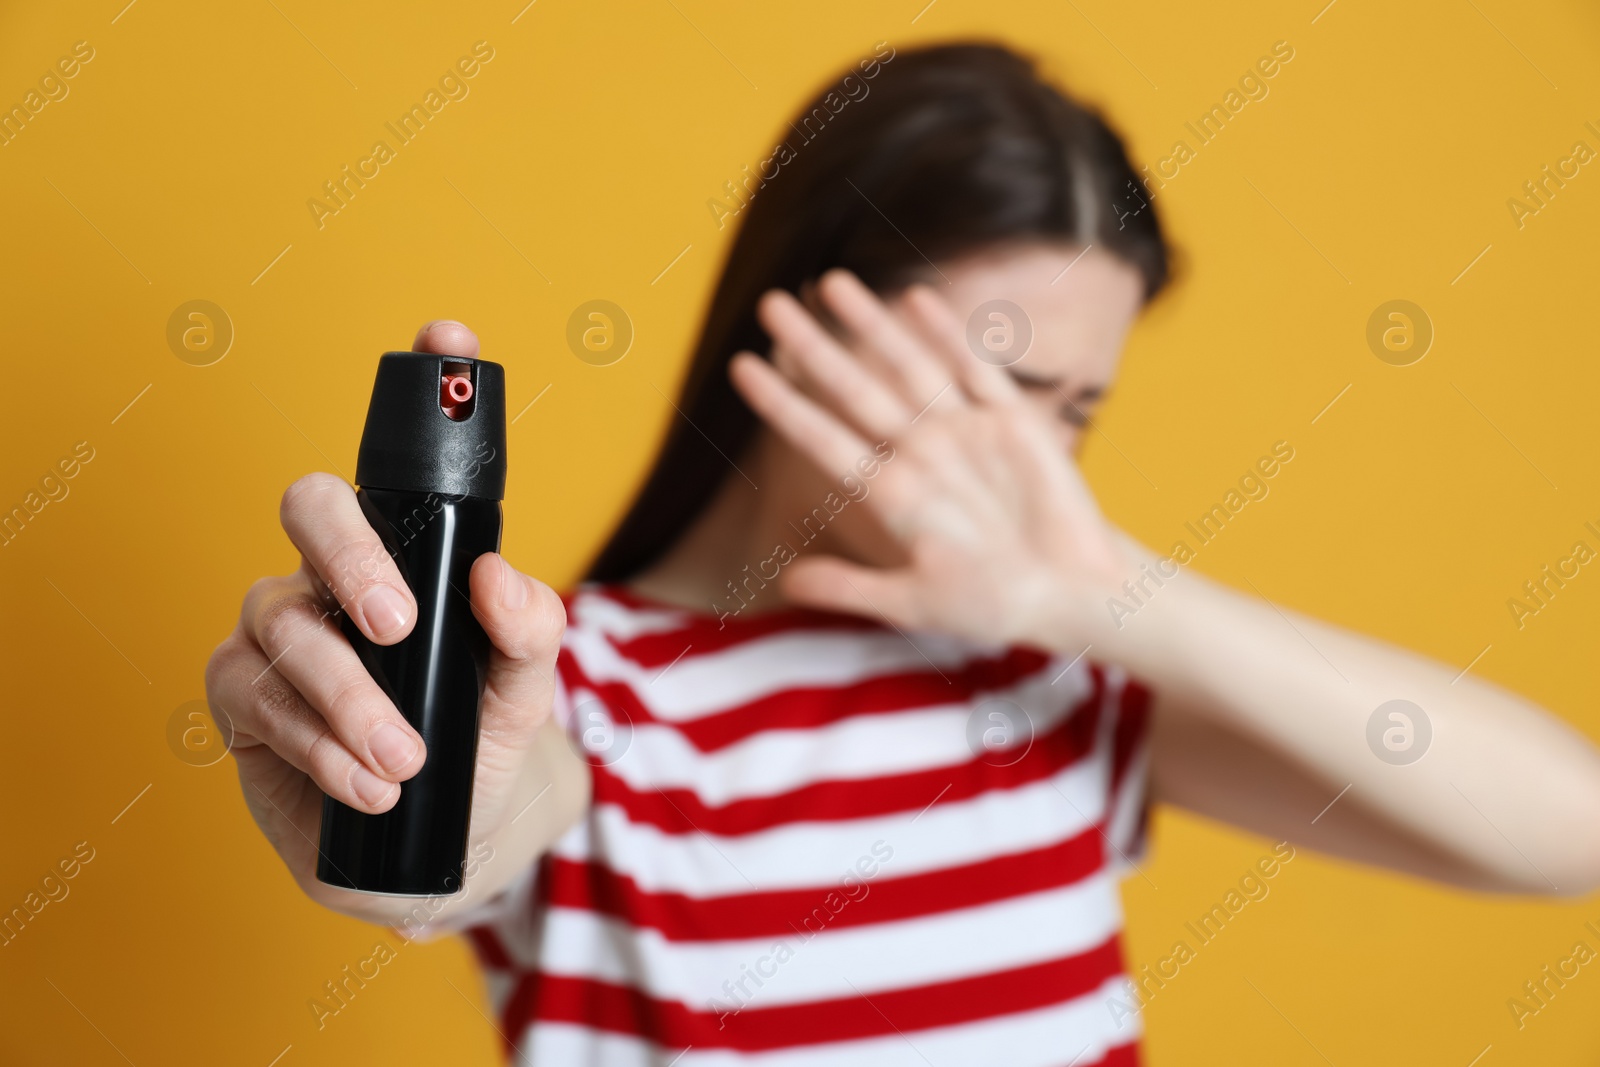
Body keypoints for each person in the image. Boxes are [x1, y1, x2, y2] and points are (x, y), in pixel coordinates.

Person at [206, 43, 1600, 1066]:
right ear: (797, 326)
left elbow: (1566, 832)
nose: (1025, 462)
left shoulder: (1060, 678)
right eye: (987, 386)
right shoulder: (584, 683)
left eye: (1074, 411)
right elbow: (468, 835)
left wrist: (1105, 594)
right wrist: (411, 774)